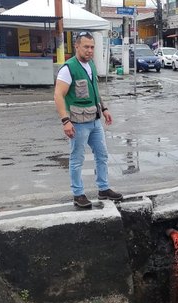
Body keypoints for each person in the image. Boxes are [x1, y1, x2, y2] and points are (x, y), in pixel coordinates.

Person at [54, 31, 123, 209]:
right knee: (77, 159)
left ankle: (103, 188)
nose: (90, 50)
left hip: (94, 119)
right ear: (77, 46)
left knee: (102, 155)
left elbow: (95, 91)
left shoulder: (91, 65)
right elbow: (58, 95)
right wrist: (65, 121)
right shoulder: (68, 69)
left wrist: (105, 108)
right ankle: (78, 194)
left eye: (92, 47)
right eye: (86, 46)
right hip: (77, 122)